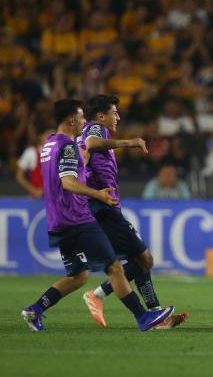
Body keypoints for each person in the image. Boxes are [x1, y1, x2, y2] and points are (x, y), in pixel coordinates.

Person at [21, 99, 174, 332]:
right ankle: (144, 316)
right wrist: (98, 194)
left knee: (78, 276)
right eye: (81, 118)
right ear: (72, 120)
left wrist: (84, 161)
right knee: (116, 266)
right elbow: (69, 181)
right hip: (79, 217)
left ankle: (35, 309)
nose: (84, 122)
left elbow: (73, 165)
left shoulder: (49, 145)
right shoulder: (74, 142)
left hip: (57, 220)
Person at [79, 95, 187, 330]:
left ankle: (156, 315)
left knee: (138, 259)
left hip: (102, 205)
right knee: (144, 259)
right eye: (114, 113)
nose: (117, 117)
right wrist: (130, 142)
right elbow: (92, 144)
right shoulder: (96, 128)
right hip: (101, 207)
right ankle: (98, 295)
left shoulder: (89, 130)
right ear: (101, 115)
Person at [15, 129, 52, 198]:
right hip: (37, 200)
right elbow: (19, 176)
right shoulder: (31, 152)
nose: (51, 139)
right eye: (48, 135)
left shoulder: (59, 153)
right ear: (40, 137)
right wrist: (34, 190)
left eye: (53, 136)